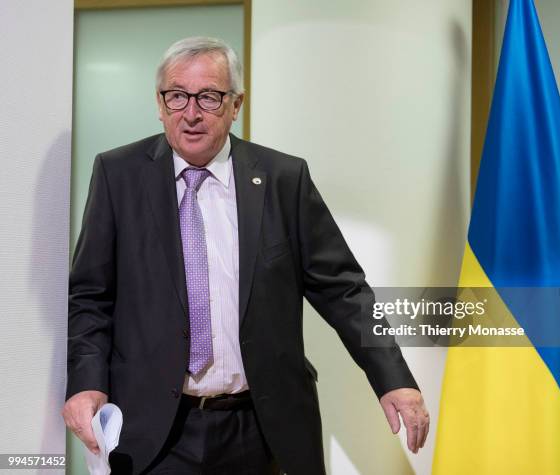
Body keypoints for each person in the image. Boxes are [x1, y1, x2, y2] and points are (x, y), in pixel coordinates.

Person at [62, 36, 429, 474]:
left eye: (209, 97)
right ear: (159, 104)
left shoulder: (282, 179)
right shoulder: (118, 174)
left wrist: (394, 379)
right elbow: (90, 296)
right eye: (177, 96)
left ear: (236, 105)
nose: (191, 113)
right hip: (153, 431)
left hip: (260, 428)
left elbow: (344, 290)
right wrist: (85, 384)